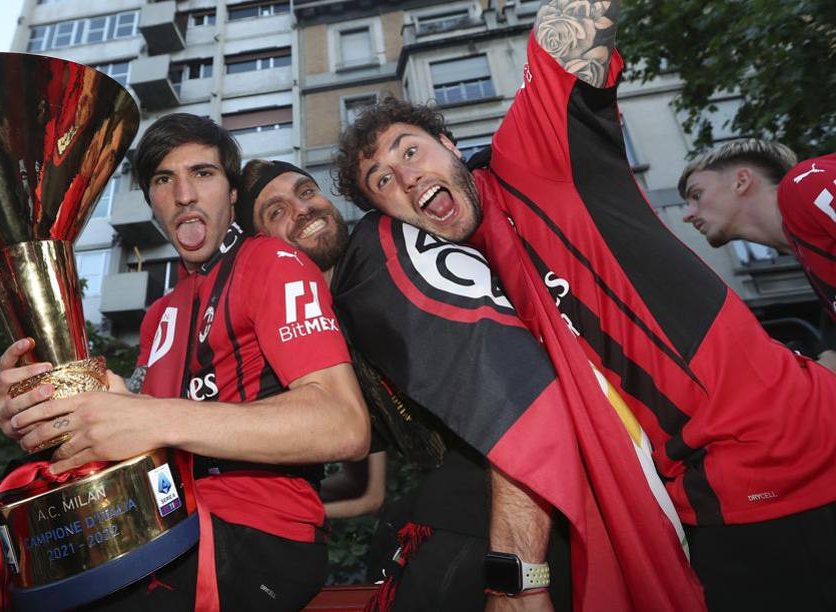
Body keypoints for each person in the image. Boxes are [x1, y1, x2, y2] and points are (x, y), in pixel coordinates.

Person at [331, 1, 836, 610]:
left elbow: (578, 20)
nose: (404, 178)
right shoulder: (464, 289)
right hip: (705, 511)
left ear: (449, 143)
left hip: (806, 445)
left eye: (409, 152)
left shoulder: (534, 154)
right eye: (381, 182)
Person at [0, 114, 370, 611]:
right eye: (164, 180)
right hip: (164, 521)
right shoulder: (159, 315)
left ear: (232, 194)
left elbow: (344, 425)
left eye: (203, 174)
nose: (184, 194)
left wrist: (149, 417)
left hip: (258, 537)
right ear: (152, 202)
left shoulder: (272, 261)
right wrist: (37, 401)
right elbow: (138, 430)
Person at [236, 158, 575, 610]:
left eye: (305, 191)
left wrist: (518, 580)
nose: (302, 209)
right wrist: (258, 507)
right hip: (480, 503)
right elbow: (364, 488)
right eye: (276, 211)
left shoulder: (384, 246)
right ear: (259, 249)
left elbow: (509, 390)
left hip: (518, 499)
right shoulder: (325, 330)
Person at [679, 140, 836, 371]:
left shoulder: (807, 182)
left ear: (741, 181)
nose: (688, 215)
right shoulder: (813, 265)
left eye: (697, 195)